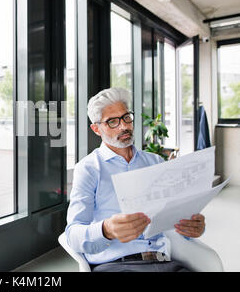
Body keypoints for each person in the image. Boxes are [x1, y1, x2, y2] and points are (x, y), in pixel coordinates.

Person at [65, 87, 206, 272]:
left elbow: (172, 217)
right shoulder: (89, 169)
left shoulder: (155, 161)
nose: (124, 126)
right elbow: (72, 235)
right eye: (112, 122)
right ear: (96, 129)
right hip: (116, 265)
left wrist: (191, 228)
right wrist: (106, 230)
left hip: (164, 263)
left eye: (126, 117)